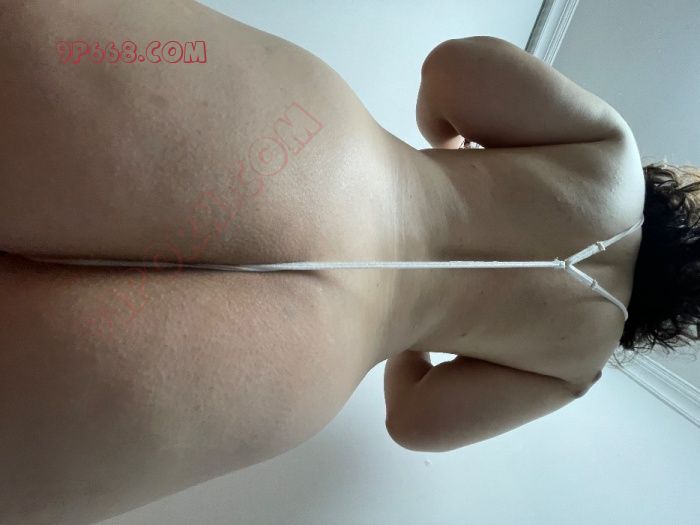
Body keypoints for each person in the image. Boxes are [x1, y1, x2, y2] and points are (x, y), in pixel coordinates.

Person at [1, 1, 698, 524]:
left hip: (312, 155)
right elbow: (416, 422)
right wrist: (419, 324)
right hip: (299, 360)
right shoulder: (577, 366)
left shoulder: (611, 157)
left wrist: (446, 146)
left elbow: (453, 69)